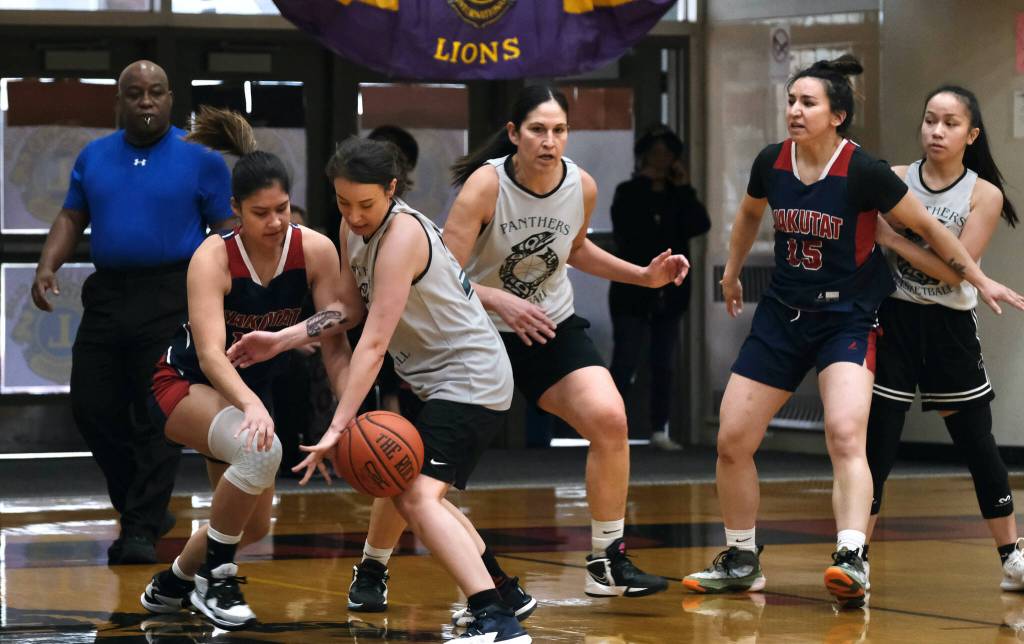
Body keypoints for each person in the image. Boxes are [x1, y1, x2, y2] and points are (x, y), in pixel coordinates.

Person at [333, 85, 687, 623]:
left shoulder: (581, 186)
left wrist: (641, 275)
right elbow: (445, 271)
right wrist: (503, 300)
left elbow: (574, 248)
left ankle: (608, 559)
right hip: (475, 331)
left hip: (546, 324)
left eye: (560, 130)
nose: (550, 141)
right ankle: (375, 564)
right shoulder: (486, 185)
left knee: (610, 417)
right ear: (515, 134)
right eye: (539, 130)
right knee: (404, 458)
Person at [680, 56, 1024, 607]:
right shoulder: (771, 162)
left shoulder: (865, 171)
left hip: (849, 318)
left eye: (807, 102)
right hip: (786, 316)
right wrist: (731, 271)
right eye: (791, 100)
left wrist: (981, 279)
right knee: (732, 439)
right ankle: (742, 557)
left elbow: (930, 228)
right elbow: (747, 216)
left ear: (837, 115)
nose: (794, 110)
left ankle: (851, 556)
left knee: (847, 434)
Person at [227, 136, 531, 643]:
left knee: (414, 495)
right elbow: (346, 309)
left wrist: (338, 426)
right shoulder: (353, 229)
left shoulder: (404, 236)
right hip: (442, 380)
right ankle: (504, 594)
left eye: (366, 203)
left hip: (473, 378)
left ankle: (494, 618)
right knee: (407, 484)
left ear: (391, 189)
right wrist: (280, 339)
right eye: (344, 203)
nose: (355, 214)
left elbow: (371, 343)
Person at [137, 107, 356, 631]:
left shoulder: (315, 249)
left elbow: (337, 325)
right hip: (186, 383)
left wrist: (343, 416)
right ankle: (218, 578)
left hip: (244, 394)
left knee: (250, 525)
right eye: (261, 213)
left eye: (283, 208)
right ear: (235, 211)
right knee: (265, 448)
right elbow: (212, 354)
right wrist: (255, 406)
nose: (276, 222)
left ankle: (171, 585)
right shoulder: (212, 257)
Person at [30, 60, 234, 565]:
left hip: (172, 293)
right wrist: (46, 264)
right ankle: (143, 504)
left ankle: (139, 527)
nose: (146, 101)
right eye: (135, 93)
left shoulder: (201, 158)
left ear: (170, 99)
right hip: (109, 295)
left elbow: (228, 229)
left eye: (156, 92)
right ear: (118, 102)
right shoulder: (95, 156)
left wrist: (236, 294)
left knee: (155, 413)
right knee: (91, 406)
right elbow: (72, 214)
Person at [866, 85, 1023, 591]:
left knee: (978, 444)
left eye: (950, 123)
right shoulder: (893, 180)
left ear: (970, 135)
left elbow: (957, 272)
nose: (937, 130)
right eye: (930, 119)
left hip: (950, 327)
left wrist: (891, 239)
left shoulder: (983, 194)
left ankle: (1011, 557)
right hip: (894, 321)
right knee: (877, 447)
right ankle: (853, 556)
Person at [609, 124, 711, 450]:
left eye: (667, 156)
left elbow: (699, 224)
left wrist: (682, 188)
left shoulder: (678, 194)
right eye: (655, 155)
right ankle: (611, 426)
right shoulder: (628, 191)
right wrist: (645, 183)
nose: (661, 160)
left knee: (663, 362)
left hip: (672, 291)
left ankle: (659, 429)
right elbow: (628, 230)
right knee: (625, 359)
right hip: (631, 288)